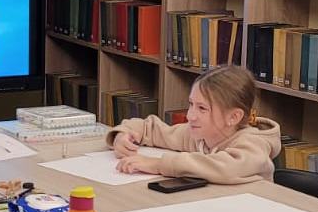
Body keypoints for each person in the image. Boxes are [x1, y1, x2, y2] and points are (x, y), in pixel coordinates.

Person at [107, 64, 281, 183]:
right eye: (191, 104)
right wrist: (123, 135)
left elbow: (226, 168)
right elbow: (151, 129)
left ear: (234, 117)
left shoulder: (254, 144)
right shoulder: (201, 135)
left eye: (202, 108)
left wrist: (158, 165)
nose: (190, 116)